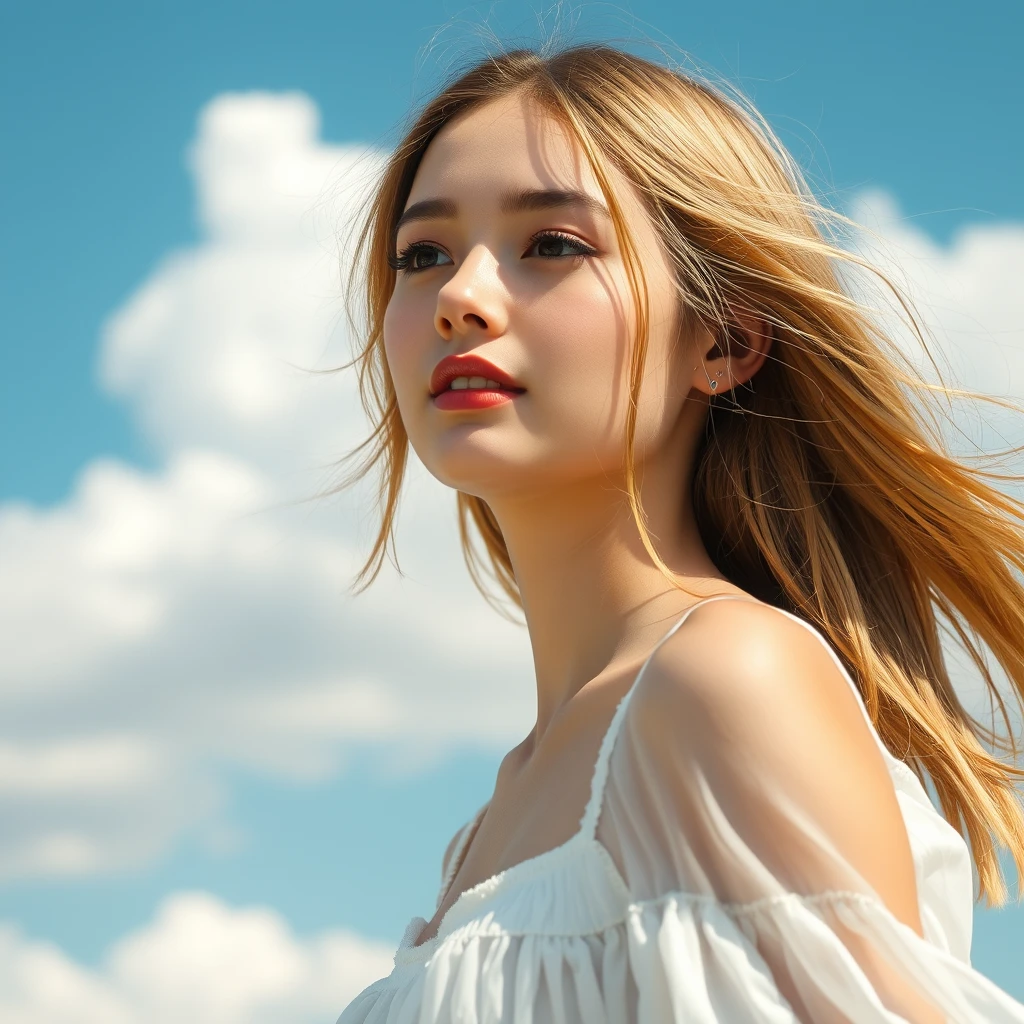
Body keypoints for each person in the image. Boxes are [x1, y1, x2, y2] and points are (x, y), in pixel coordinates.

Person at [335, 42, 1024, 1022]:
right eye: (422, 254)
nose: (458, 298)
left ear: (724, 340)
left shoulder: (722, 681)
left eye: (553, 246)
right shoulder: (488, 826)